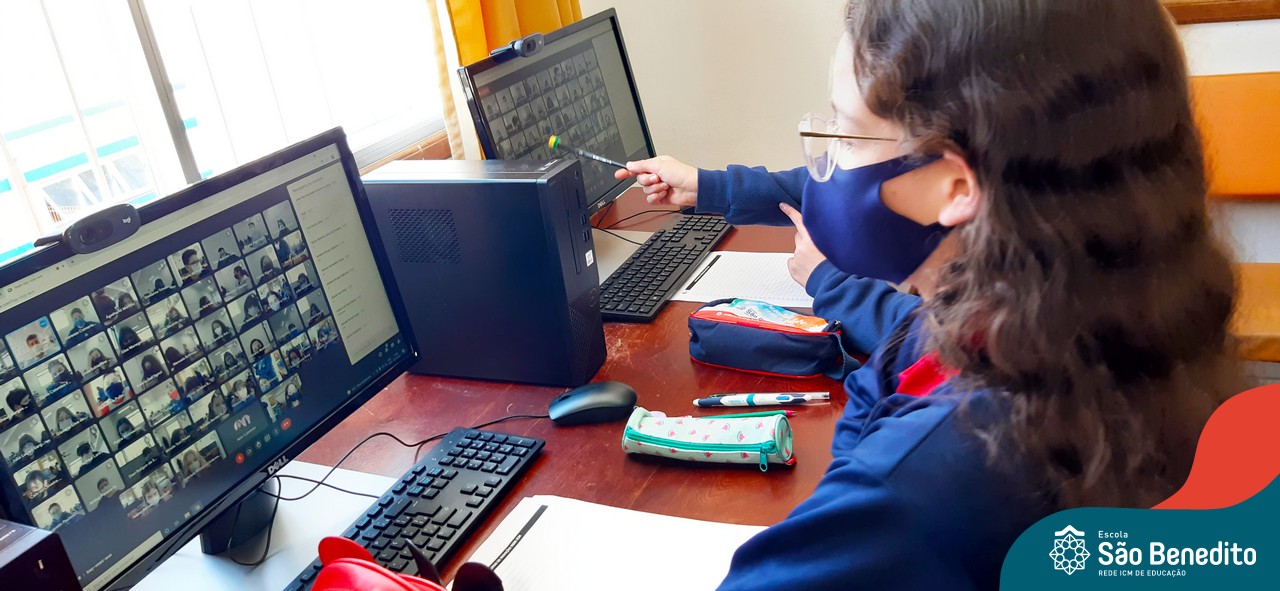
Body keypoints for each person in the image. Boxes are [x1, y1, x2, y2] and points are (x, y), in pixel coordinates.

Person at [612, 2, 1242, 588]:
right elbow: (885, 383)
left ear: (956, 185)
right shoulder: (1119, 315)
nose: (827, 169)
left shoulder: (927, 483)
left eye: (847, 137)